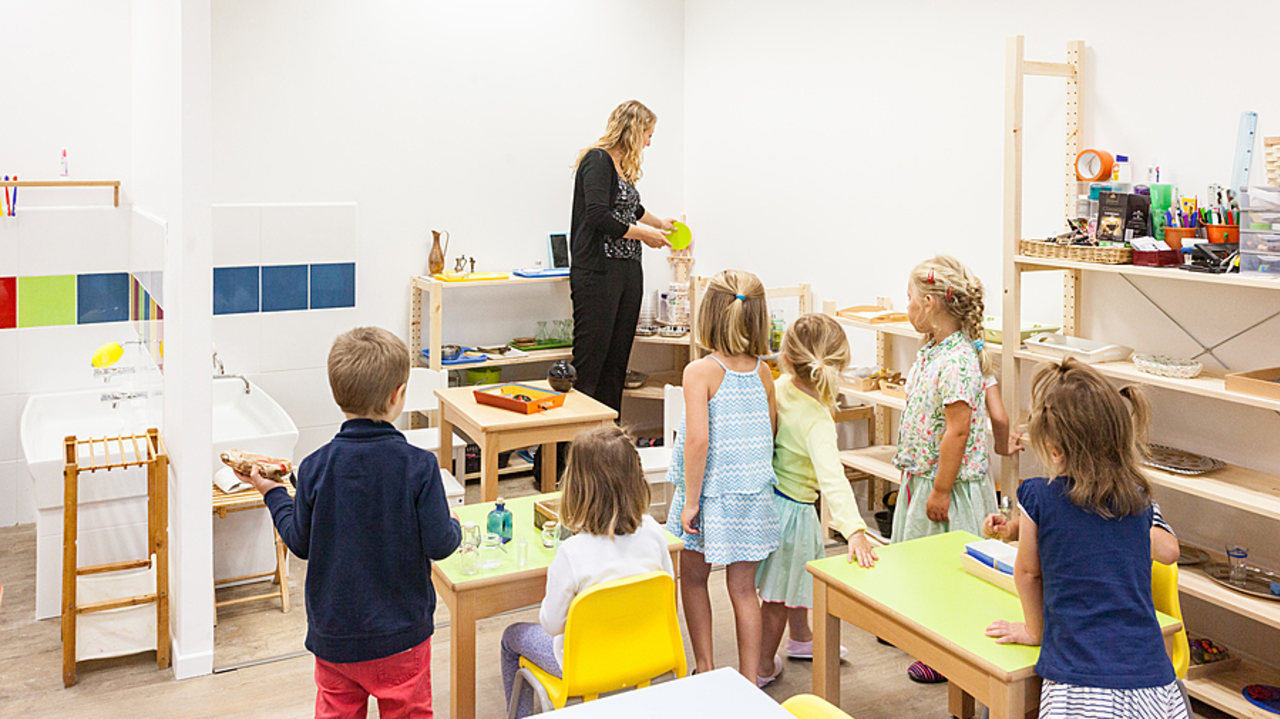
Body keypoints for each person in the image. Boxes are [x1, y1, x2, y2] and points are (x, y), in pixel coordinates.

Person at [236, 327, 461, 719]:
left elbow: (299, 542)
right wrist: (454, 523)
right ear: (397, 395)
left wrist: (272, 492)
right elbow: (441, 543)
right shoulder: (419, 467)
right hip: (402, 637)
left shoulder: (314, 468)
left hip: (335, 639)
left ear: (336, 392)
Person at [985, 359, 1188, 718]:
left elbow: (1029, 574)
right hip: (1153, 679)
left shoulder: (1038, 496)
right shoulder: (1137, 499)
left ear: (1055, 449)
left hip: (1079, 684)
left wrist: (1035, 631)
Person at [500, 426, 674, 717]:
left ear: (576, 487)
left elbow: (552, 625)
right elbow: (667, 602)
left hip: (585, 666)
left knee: (511, 638)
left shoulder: (571, 553)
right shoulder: (655, 533)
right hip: (646, 654)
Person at [666, 269, 780, 681]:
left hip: (707, 497)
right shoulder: (763, 372)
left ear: (708, 315)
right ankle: (749, 680)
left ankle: (706, 667)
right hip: (752, 496)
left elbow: (698, 441)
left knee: (694, 580)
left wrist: (691, 501)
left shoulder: (699, 371)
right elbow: (770, 432)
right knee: (744, 591)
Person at [755, 314, 878, 688]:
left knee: (792, 580)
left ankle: (801, 637)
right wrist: (855, 530)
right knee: (778, 596)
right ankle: (761, 666)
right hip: (794, 514)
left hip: (773, 502)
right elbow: (833, 479)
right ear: (841, 364)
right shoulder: (818, 420)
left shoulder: (780, 386)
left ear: (786, 359)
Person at [892, 255, 998, 683]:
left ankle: (947, 653)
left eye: (910, 299)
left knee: (945, 572)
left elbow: (958, 430)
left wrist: (939, 489)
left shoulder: (957, 360)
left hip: (948, 486)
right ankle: (925, 635)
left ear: (931, 303)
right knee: (922, 566)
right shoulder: (935, 350)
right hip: (924, 477)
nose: (907, 306)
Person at [569, 99, 676, 414]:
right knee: (591, 361)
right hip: (597, 273)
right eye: (648, 134)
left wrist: (660, 225)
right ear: (634, 130)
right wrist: (645, 234)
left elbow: (632, 208)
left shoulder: (622, 168)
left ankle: (608, 438)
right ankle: (575, 440)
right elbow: (598, 216)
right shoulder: (597, 160)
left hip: (627, 271)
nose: (649, 142)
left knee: (616, 362)